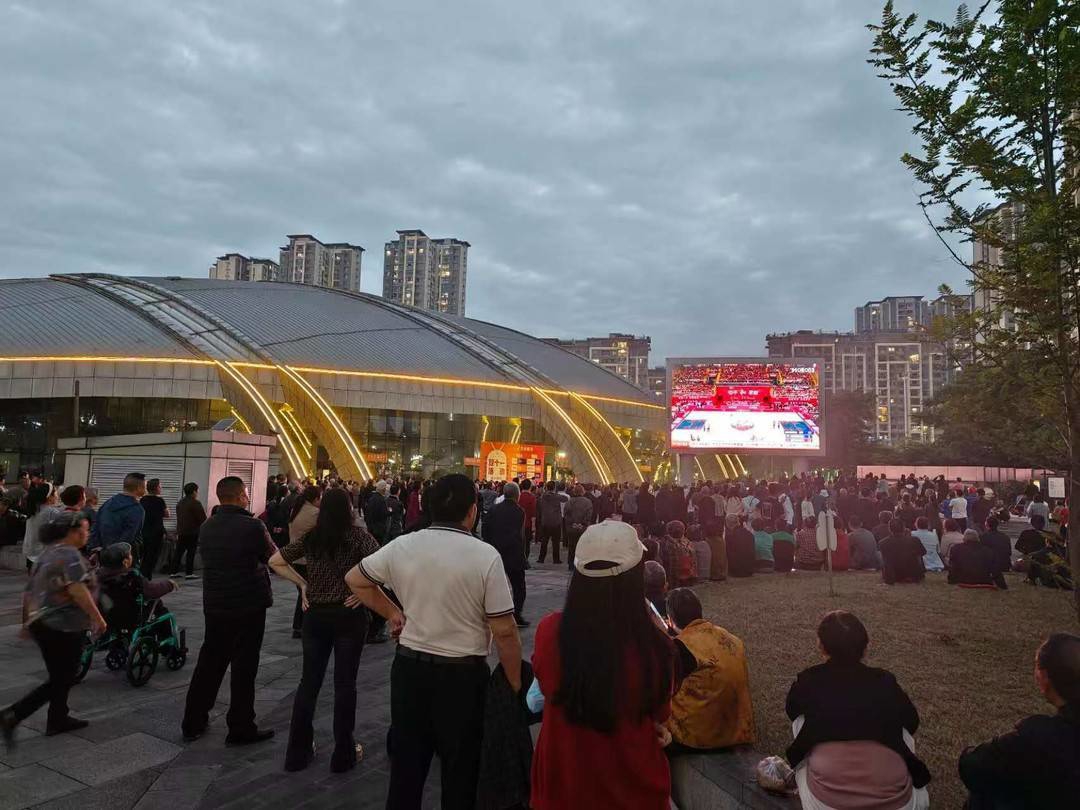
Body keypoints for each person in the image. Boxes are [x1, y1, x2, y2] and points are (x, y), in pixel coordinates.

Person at [345, 473, 522, 809]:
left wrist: (393, 613)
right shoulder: (485, 556)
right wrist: (514, 684)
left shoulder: (403, 545)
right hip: (463, 677)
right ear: (472, 511)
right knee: (461, 773)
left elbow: (355, 579)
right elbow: (505, 631)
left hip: (409, 670)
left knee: (406, 771)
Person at [529, 520, 675, 809]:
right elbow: (660, 713)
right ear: (636, 579)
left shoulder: (549, 633)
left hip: (564, 787)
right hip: (634, 789)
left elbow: (546, 686)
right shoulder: (656, 647)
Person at [268, 487, 380, 773]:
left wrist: (303, 584)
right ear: (349, 509)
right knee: (345, 685)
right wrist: (362, 592)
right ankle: (343, 753)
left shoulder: (312, 538)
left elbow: (275, 561)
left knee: (309, 683)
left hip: (315, 616)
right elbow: (383, 565)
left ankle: (297, 752)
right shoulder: (359, 537)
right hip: (349, 616)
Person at [786, 611, 930, 809]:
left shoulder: (808, 680)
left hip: (825, 804)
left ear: (822, 646)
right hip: (899, 804)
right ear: (865, 646)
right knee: (901, 724)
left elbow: (792, 711)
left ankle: (816, 768)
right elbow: (912, 722)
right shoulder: (884, 681)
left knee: (800, 718)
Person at [181, 477, 277, 745]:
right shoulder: (253, 526)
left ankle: (193, 721)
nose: (248, 497)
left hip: (215, 603)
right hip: (249, 604)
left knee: (209, 663)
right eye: (246, 493)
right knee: (245, 666)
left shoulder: (208, 526)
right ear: (239, 496)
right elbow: (273, 556)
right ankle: (241, 725)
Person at [2, 513, 105, 742]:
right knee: (63, 677)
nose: (87, 533)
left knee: (60, 674)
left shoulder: (47, 553)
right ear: (73, 532)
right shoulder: (69, 554)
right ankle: (13, 714)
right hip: (63, 626)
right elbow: (77, 590)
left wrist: (26, 622)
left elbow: (29, 591)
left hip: (43, 624)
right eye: (85, 529)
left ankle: (58, 718)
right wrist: (98, 618)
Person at [959, 633, 1080, 808]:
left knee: (985, 794)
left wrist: (968, 753)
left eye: (1036, 666)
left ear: (1044, 676)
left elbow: (972, 766)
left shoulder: (1038, 737)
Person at [664, 588, 754, 750]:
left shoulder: (682, 647)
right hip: (739, 728)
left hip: (701, 738)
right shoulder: (729, 637)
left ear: (670, 619)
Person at [482, 481, 529, 627]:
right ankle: (516, 615)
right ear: (517, 495)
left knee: (493, 586)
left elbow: (485, 529)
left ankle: (491, 613)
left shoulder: (494, 509)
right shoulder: (519, 511)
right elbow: (521, 535)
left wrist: (489, 545)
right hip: (513, 553)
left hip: (495, 552)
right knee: (519, 587)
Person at [287, 485, 321, 639]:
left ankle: (299, 626)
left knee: (304, 592)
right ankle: (302, 626)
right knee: (308, 594)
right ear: (315, 499)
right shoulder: (315, 513)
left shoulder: (296, 510)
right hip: (307, 559)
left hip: (295, 559)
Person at [89, 472, 146, 551]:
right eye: (145, 487)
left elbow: (95, 527)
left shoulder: (107, 503)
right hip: (124, 554)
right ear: (139, 488)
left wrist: (95, 548)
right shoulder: (137, 509)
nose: (146, 490)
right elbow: (129, 536)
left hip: (102, 552)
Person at [23, 482, 62, 572]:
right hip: (45, 558)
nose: (57, 496)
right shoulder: (51, 512)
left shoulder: (33, 509)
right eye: (55, 493)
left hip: (30, 556)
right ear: (49, 497)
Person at [171, 482, 206, 579]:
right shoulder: (195, 503)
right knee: (191, 552)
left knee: (179, 552)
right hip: (192, 531)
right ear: (194, 492)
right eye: (197, 491)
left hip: (181, 531)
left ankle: (173, 571)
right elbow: (202, 518)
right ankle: (189, 573)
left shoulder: (180, 503)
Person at [139, 478, 169, 579]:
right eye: (160, 486)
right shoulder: (160, 500)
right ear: (156, 488)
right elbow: (167, 514)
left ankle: (142, 574)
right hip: (157, 532)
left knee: (145, 555)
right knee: (153, 556)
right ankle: (147, 576)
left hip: (144, 531)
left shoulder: (143, 500)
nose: (161, 488)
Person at [879, 520, 926, 585]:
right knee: (918, 555)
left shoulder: (883, 543)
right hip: (913, 575)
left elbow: (886, 562)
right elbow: (923, 552)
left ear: (889, 529)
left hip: (895, 576)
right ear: (904, 528)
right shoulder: (915, 540)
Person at [563, 485, 593, 572]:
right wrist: (582, 524)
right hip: (583, 528)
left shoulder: (569, 501)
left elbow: (566, 514)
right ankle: (581, 564)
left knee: (572, 546)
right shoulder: (588, 502)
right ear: (583, 492)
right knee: (582, 546)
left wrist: (573, 523)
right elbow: (589, 515)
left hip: (571, 528)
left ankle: (571, 565)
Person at [537, 481, 564, 564]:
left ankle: (541, 558)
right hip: (556, 522)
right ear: (554, 488)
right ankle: (556, 559)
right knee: (556, 542)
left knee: (544, 541)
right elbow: (565, 499)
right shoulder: (557, 496)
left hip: (545, 521)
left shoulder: (542, 497)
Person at [518, 478, 536, 558]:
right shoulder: (532, 497)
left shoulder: (518, 496)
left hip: (518, 523)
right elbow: (533, 513)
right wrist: (533, 527)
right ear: (530, 487)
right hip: (528, 524)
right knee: (527, 543)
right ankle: (525, 559)